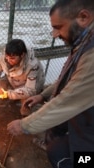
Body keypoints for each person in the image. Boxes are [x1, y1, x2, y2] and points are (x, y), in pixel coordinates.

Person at [7, 0, 94, 167]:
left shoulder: (91, 55)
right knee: (56, 143)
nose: (54, 34)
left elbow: (67, 101)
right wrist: (43, 95)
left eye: (58, 27)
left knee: (63, 156)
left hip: (89, 129)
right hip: (82, 119)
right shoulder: (84, 42)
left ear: (83, 17)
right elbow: (70, 79)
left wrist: (25, 125)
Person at [0, 39, 45, 116]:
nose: (8, 60)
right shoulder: (5, 55)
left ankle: (26, 121)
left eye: (12, 58)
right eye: (7, 57)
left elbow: (30, 90)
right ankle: (14, 97)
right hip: (12, 80)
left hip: (28, 87)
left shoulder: (32, 65)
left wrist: (7, 94)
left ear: (22, 55)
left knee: (26, 106)